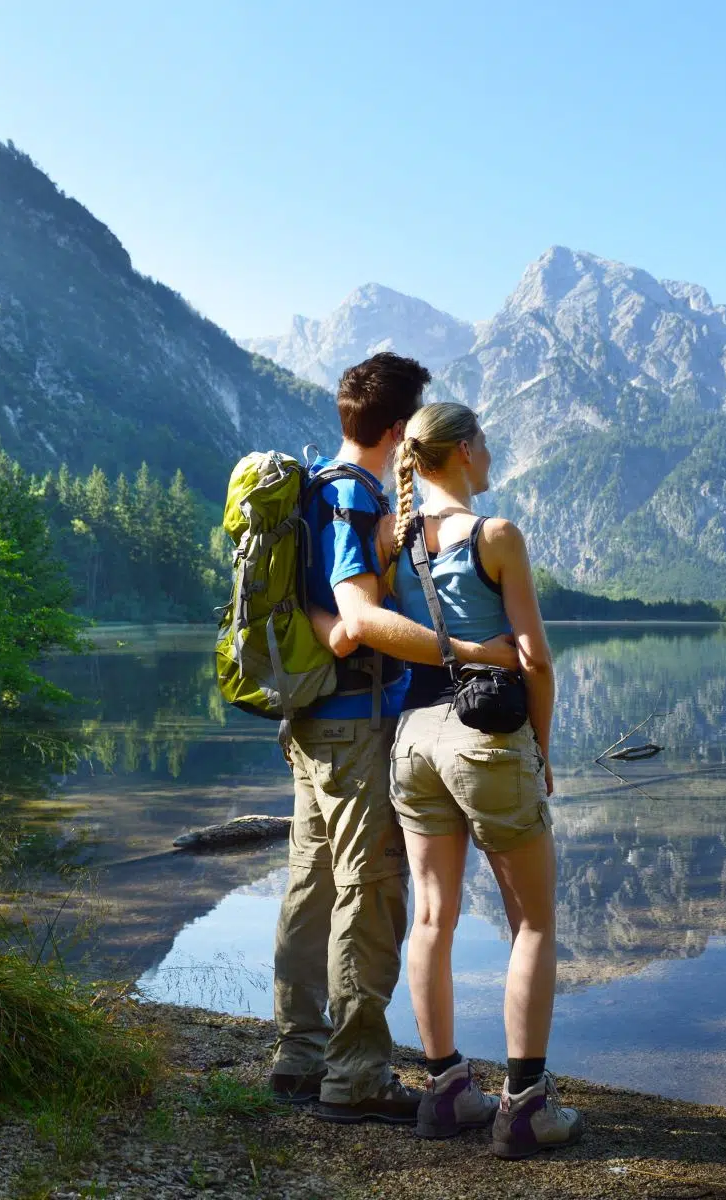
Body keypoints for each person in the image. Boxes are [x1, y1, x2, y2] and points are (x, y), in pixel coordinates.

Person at [317, 401, 582, 1158]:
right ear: (464, 451)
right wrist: (543, 749)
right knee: (532, 920)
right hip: (485, 740)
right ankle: (526, 1105)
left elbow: (380, 625)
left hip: (413, 741)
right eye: (487, 444)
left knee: (433, 917)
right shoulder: (496, 536)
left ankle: (444, 1090)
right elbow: (533, 658)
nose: (492, 454)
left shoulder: (390, 539)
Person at [271, 354, 520, 1126]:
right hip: (351, 726)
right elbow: (355, 624)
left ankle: (300, 1056)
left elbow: (323, 616)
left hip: (314, 722)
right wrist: (469, 654)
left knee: (311, 886)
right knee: (371, 892)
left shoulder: (319, 486)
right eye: (414, 420)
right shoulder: (350, 496)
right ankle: (355, 1077)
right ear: (393, 429)